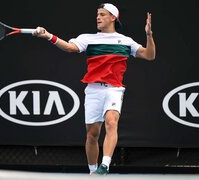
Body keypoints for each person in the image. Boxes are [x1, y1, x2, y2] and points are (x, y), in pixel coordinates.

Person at [34, 3, 156, 175]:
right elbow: (69, 47)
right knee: (92, 135)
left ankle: (104, 165)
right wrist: (48, 36)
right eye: (97, 15)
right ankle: (93, 172)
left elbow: (150, 55)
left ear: (113, 17)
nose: (98, 17)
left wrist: (149, 34)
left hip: (114, 89)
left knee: (112, 122)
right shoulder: (87, 38)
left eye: (102, 14)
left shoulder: (126, 41)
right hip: (93, 90)